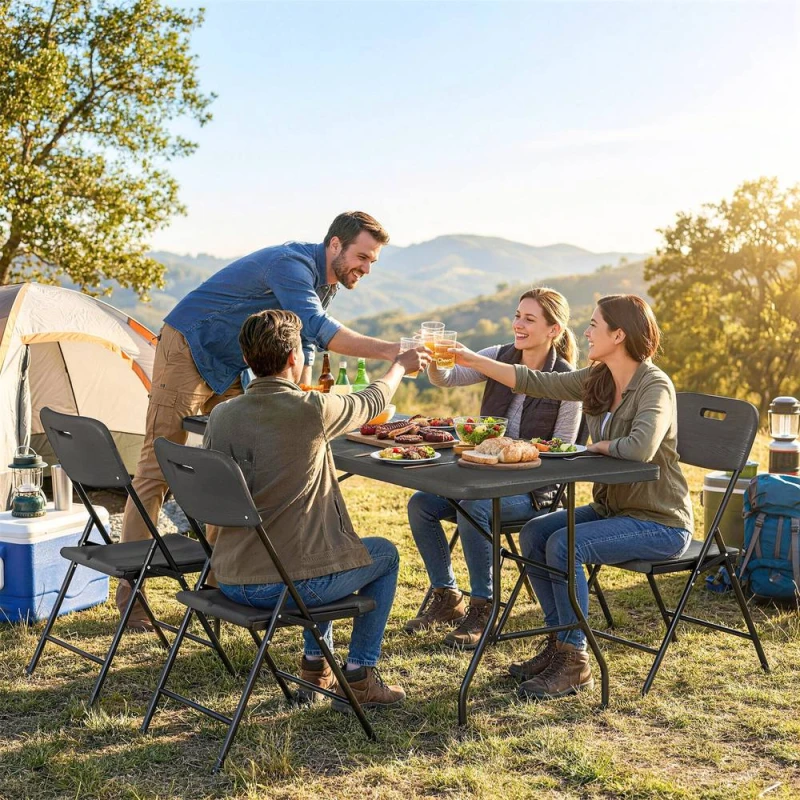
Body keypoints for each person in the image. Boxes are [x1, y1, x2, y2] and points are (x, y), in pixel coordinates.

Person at [117, 211, 401, 629]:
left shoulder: (327, 283)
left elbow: (303, 339)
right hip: (190, 347)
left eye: (372, 261)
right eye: (363, 257)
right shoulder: (291, 265)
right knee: (157, 468)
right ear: (335, 245)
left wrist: (299, 399)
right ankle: (131, 591)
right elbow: (319, 327)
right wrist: (395, 352)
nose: (366, 269)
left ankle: (217, 581)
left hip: (235, 364)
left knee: (233, 468)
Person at [449, 294, 693, 699]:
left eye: (594, 324)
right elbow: (534, 381)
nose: (586, 332)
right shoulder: (598, 377)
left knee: (565, 544)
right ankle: (558, 642)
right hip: (610, 509)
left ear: (619, 335)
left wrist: (599, 446)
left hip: (659, 521)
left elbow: (640, 448)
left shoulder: (655, 385)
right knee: (535, 533)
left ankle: (575, 659)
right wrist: (471, 359)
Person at [204, 309, 430, 710]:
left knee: (319, 547)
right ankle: (360, 676)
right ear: (295, 358)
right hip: (283, 588)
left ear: (247, 358)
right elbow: (372, 400)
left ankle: (315, 667)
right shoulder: (311, 408)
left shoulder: (221, 415)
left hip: (230, 577)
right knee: (384, 555)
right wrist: (400, 365)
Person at [404, 288, 582, 649]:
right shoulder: (498, 356)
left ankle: (483, 607)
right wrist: (436, 357)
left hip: (535, 492)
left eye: (529, 319)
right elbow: (447, 378)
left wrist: (516, 453)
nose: (518, 324)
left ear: (554, 330)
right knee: (421, 504)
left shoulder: (566, 380)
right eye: (517, 315)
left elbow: (562, 447)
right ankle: (447, 596)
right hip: (486, 479)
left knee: (474, 508)